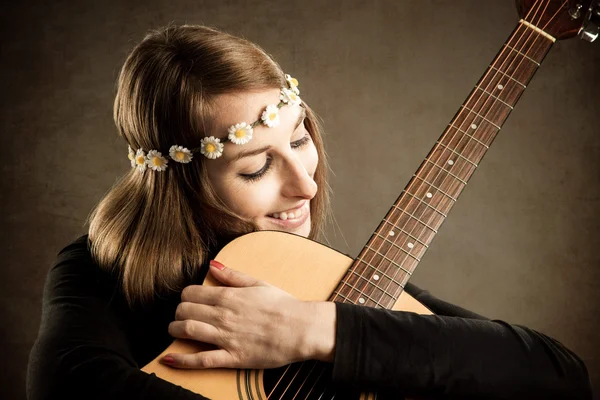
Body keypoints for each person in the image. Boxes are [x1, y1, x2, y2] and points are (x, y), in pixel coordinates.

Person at [26, 23, 593, 400]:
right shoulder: (101, 269)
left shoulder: (319, 276)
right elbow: (67, 383)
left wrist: (317, 328)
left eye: (300, 140)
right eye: (255, 168)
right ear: (180, 184)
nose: (306, 183)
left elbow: (558, 376)